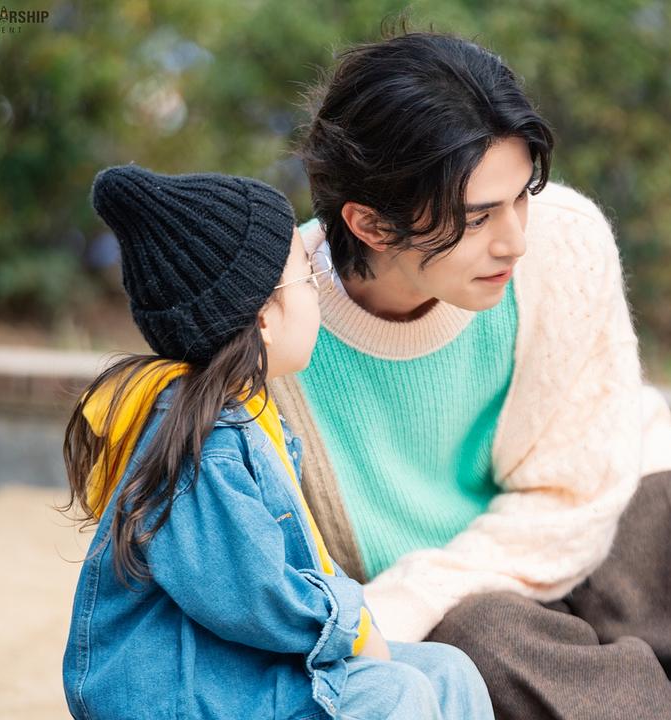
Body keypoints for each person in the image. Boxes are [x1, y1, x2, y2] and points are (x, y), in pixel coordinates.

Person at [263, 31, 671, 720]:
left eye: (522, 195)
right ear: (370, 224)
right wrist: (411, 601)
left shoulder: (562, 238)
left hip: (618, 500)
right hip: (466, 604)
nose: (515, 239)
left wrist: (410, 595)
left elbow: (578, 493)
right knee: (481, 644)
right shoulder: (274, 327)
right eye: (478, 218)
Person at [59, 165, 495, 720]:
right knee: (393, 695)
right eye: (308, 278)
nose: (319, 294)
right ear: (263, 317)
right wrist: (350, 627)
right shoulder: (203, 447)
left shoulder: (251, 416)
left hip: (240, 669)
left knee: (447, 670)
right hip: (188, 690)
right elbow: (250, 593)